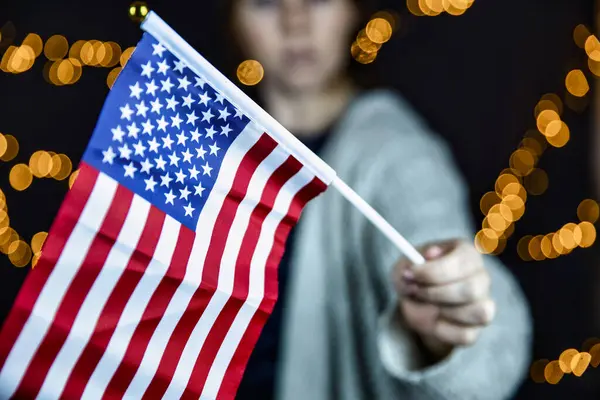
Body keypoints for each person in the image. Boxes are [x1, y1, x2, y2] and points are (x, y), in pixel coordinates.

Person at [220, 0, 532, 399]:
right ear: (233, 18)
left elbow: (485, 354)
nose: (294, 22)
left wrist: (449, 318)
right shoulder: (212, 151)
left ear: (353, 10)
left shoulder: (396, 150)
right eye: (265, 2)